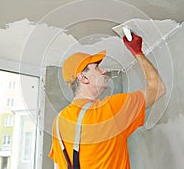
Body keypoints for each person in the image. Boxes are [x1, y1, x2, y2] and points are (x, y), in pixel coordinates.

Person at [49, 32, 166, 169]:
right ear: (83, 78)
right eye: (97, 67)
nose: (104, 71)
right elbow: (158, 88)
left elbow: (57, 166)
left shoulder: (58, 122)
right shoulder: (110, 109)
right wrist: (137, 52)